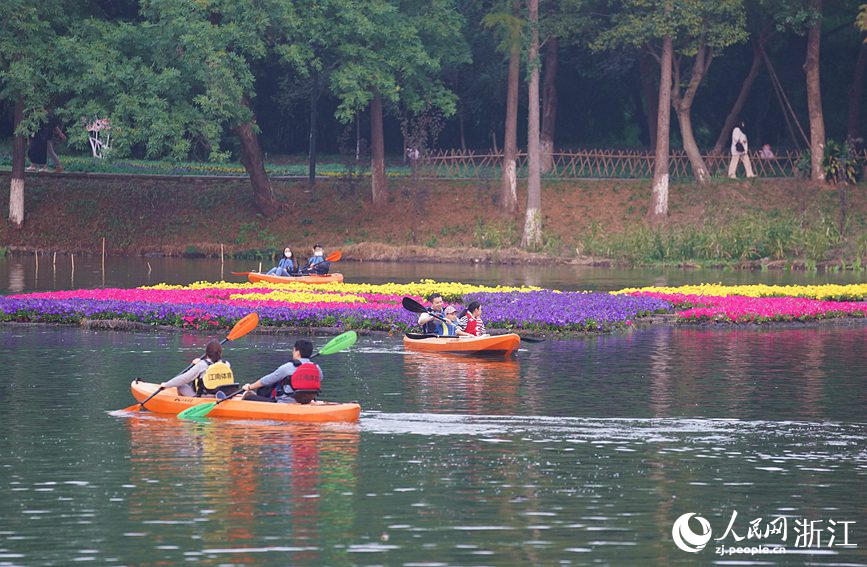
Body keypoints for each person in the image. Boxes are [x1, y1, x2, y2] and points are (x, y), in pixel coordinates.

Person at [240, 339, 323, 404]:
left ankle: (249, 395)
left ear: (297, 352)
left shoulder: (287, 367)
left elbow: (267, 380)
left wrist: (249, 387)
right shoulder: (316, 367)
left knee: (248, 396)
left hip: (285, 402)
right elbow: (319, 380)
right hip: (307, 401)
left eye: (293, 350)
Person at [159, 341, 237, 398]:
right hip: (225, 393)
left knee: (180, 385)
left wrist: (166, 385)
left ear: (206, 353)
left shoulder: (202, 365)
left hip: (204, 397)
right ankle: (218, 395)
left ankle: (184, 402)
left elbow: (184, 378)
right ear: (221, 353)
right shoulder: (226, 364)